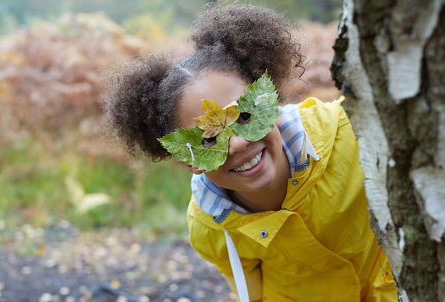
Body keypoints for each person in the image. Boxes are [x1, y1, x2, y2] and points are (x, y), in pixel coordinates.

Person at [104, 3, 398, 302]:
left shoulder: (352, 132)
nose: (239, 144)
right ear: (186, 160)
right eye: (208, 140)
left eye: (245, 116)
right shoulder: (211, 227)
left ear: (274, 102)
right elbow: (250, 293)